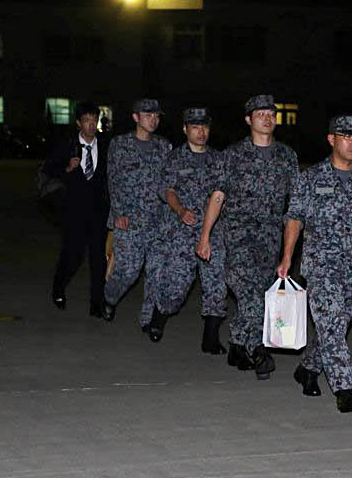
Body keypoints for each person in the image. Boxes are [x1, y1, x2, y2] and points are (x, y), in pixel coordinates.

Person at [277, 115, 352, 412]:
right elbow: (295, 217)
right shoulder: (310, 178)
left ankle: (307, 368)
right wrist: (287, 257)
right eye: (347, 137)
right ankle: (344, 387)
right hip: (320, 267)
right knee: (332, 326)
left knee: (331, 328)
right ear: (331, 139)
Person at [197, 94, 298, 380]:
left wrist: (293, 245)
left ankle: (238, 345)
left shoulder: (287, 156)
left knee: (258, 294)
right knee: (250, 293)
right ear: (248, 120)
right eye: (260, 113)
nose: (267, 118)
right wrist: (205, 235)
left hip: (271, 239)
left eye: (271, 113)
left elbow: (296, 204)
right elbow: (218, 196)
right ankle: (258, 350)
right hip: (238, 236)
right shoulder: (232, 155)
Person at [144, 108, 227, 354]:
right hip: (182, 230)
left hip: (212, 231)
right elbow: (167, 189)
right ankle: (158, 319)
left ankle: (210, 338)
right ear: (185, 130)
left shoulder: (218, 160)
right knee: (176, 284)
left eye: (204, 127)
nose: (201, 132)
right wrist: (180, 210)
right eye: (195, 127)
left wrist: (207, 233)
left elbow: (220, 195)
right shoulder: (175, 158)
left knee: (216, 285)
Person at [101, 99, 172, 325]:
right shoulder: (119, 145)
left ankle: (149, 320)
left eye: (157, 116)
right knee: (128, 271)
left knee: (157, 272)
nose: (154, 120)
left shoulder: (164, 146)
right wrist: (119, 213)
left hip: (158, 220)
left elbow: (169, 183)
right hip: (128, 220)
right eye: (148, 115)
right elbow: (113, 180)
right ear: (135, 118)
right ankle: (109, 298)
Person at [45, 101, 109, 316]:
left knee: (99, 258)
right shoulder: (67, 145)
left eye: (94, 120)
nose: (91, 125)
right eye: (87, 121)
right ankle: (59, 287)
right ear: (78, 123)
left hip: (99, 212)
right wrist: (67, 168)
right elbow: (49, 170)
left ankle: (96, 303)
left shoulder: (107, 145)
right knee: (73, 255)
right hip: (72, 211)